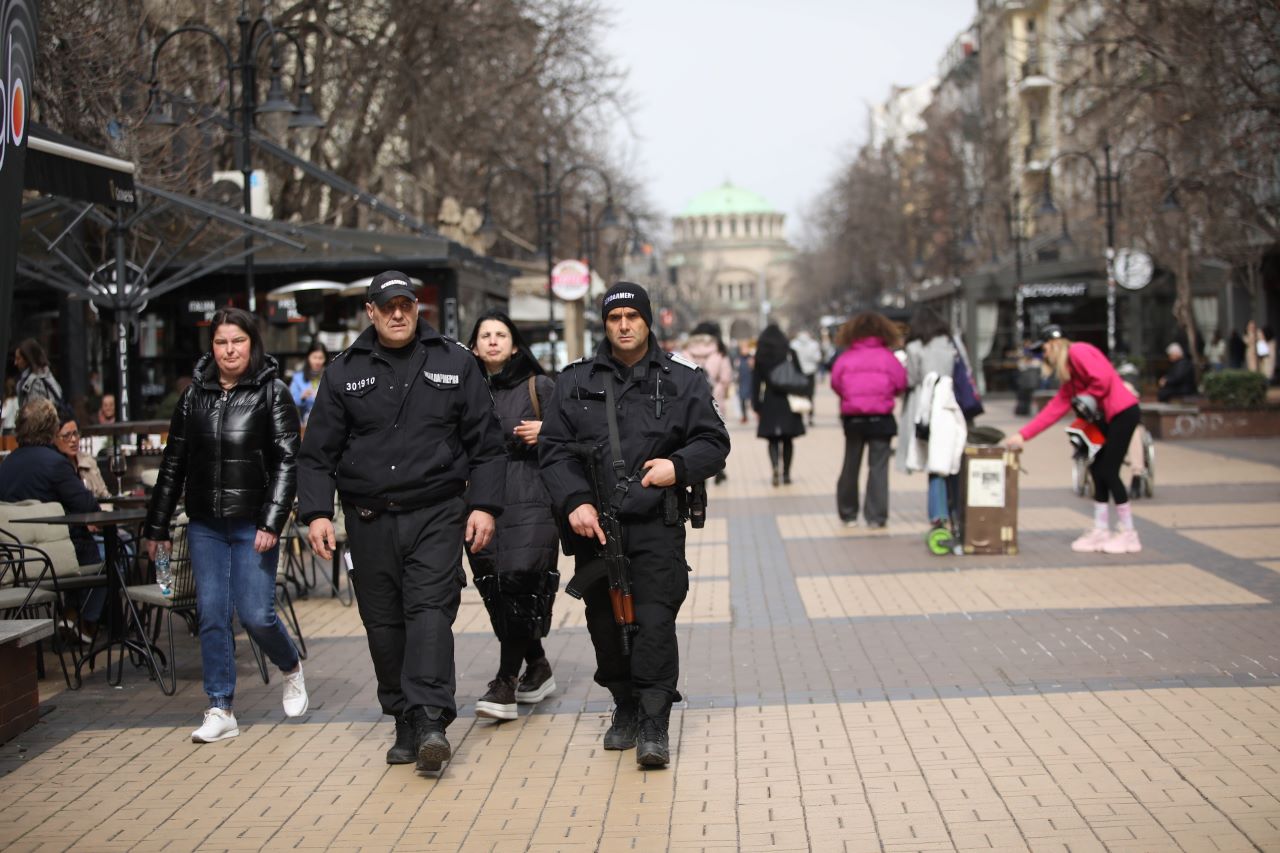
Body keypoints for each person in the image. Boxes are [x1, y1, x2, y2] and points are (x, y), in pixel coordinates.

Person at [297, 270, 505, 774]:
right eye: (387, 306)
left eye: (406, 305)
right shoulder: (344, 371)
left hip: (437, 513)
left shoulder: (455, 361)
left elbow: (487, 444)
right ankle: (404, 718)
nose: (397, 314)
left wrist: (484, 507)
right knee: (384, 625)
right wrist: (318, 513)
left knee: (430, 613)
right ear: (370, 311)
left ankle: (432, 719)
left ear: (417, 308)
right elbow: (316, 454)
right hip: (369, 519)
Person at [539, 282, 730, 768]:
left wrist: (677, 467)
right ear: (605, 324)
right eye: (614, 318)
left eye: (632, 317)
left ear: (648, 321)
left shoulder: (682, 379)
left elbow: (713, 441)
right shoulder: (575, 380)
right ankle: (623, 704)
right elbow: (554, 450)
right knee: (604, 624)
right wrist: (575, 502)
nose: (624, 326)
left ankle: (653, 720)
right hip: (594, 528)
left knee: (654, 623)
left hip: (655, 525)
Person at [143, 307, 308, 744]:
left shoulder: (272, 393)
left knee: (256, 615)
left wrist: (273, 520)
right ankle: (220, 707)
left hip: (255, 524)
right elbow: (172, 463)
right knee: (212, 615)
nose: (229, 350)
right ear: (211, 347)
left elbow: (288, 463)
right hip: (205, 525)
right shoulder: (193, 396)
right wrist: (155, 528)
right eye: (220, 342)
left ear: (252, 343)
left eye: (237, 341)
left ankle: (290, 666)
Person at [464, 309, 560, 721]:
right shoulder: (464, 391)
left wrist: (547, 431)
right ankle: (536, 663)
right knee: (495, 587)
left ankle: (505, 681)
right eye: (484, 335)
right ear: (473, 346)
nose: (492, 341)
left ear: (515, 343)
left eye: (500, 334)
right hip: (482, 499)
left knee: (520, 579)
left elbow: (576, 431)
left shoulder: (540, 386)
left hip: (532, 493)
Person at [1005, 324, 1143, 554]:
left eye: (1044, 350)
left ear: (1053, 344)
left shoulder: (1078, 351)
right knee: (1097, 469)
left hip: (1122, 412)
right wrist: (1023, 435)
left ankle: (1129, 533)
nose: (1043, 356)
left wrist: (1088, 398)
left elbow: (1104, 378)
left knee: (1109, 470)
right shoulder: (1069, 376)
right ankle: (1101, 529)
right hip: (1106, 417)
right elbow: (1054, 409)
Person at [830, 313, 907, 528]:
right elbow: (900, 383)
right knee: (878, 467)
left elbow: (835, 382)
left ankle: (848, 513)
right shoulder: (887, 357)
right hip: (881, 417)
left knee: (850, 464)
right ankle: (876, 516)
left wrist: (850, 396)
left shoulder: (846, 357)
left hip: (853, 418)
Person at [901, 307, 966, 530]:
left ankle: (938, 514)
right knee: (953, 460)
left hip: (925, 408)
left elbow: (911, 379)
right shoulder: (952, 343)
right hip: (953, 405)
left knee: (934, 463)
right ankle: (957, 510)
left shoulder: (914, 347)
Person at [680, 321, 734, 483]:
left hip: (690, 401)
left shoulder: (686, 350)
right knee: (716, 436)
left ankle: (699, 472)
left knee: (693, 437)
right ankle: (718, 469)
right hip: (714, 400)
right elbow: (726, 378)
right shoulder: (719, 351)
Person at [753, 324, 806, 486]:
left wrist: (756, 404)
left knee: (773, 439)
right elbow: (799, 376)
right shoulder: (790, 353)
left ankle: (775, 466)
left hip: (770, 400)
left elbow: (756, 382)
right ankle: (787, 473)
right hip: (788, 400)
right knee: (788, 439)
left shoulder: (761, 356)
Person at [53, 408, 110, 499]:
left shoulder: (88, 460)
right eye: (67, 436)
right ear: (54, 439)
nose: (74, 440)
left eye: (76, 433)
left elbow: (105, 495)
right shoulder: (52, 467)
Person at [14, 338, 62, 410]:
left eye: (18, 359)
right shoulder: (48, 376)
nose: (15, 363)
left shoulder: (35, 382)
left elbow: (34, 415)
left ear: (27, 359)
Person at [289, 341, 329, 425]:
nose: (317, 361)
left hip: (325, 422)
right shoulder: (298, 378)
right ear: (308, 357)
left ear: (325, 359)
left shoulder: (329, 377)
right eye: (314, 357)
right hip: (305, 423)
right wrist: (302, 397)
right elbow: (290, 402)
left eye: (321, 358)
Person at [790, 329, 823, 425]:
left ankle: (798, 416)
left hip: (797, 372)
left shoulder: (793, 344)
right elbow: (818, 358)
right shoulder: (813, 344)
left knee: (798, 395)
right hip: (810, 372)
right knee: (810, 395)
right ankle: (810, 416)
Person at [735, 341, 754, 424]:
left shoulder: (751, 358)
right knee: (742, 399)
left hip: (750, 381)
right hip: (742, 381)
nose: (745, 350)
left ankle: (756, 413)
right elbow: (735, 370)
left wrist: (752, 365)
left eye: (746, 348)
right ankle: (744, 416)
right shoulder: (738, 359)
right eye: (743, 348)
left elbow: (754, 369)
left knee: (752, 398)